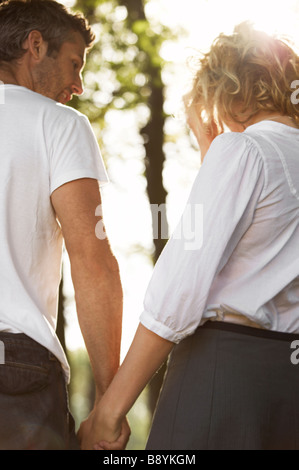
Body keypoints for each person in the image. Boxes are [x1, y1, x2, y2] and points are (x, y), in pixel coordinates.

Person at [78, 22, 299, 450]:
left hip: (222, 372)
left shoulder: (243, 151)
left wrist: (110, 409)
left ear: (226, 88)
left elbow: (179, 288)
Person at [0, 0, 130, 450]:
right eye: (74, 64)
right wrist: (110, 403)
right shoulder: (58, 124)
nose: (77, 86)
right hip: (14, 369)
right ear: (35, 45)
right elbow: (94, 265)